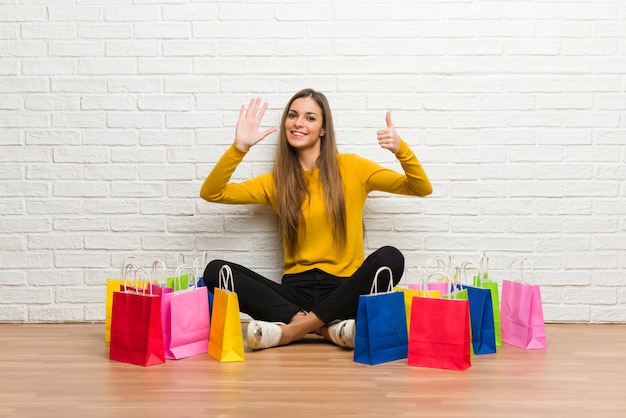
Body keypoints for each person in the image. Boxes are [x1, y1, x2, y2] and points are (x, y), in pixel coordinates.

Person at [200, 88, 432, 351]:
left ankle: (293, 331)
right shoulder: (276, 182)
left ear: (323, 129)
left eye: (310, 118)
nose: (299, 123)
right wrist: (240, 147)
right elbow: (212, 192)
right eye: (293, 115)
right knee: (216, 271)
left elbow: (420, 187)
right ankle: (326, 329)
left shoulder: (353, 168)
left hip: (345, 292)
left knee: (391, 258)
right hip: (294, 295)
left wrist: (401, 149)